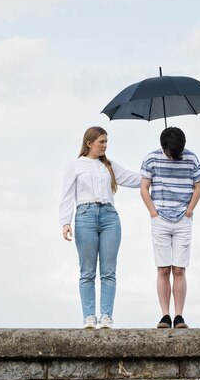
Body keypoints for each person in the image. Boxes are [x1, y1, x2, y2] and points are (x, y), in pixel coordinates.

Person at [59, 126, 140, 329]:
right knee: (87, 270)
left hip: (109, 217)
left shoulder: (109, 166)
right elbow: (67, 194)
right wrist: (65, 222)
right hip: (85, 216)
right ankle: (89, 317)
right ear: (89, 143)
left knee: (108, 270)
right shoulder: (76, 165)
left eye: (106, 142)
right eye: (101, 142)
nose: (105, 145)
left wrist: (156, 172)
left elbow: (134, 179)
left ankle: (106, 316)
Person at [140, 127, 200, 329]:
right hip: (160, 218)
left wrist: (189, 210)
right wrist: (153, 212)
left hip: (183, 219)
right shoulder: (152, 158)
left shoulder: (191, 158)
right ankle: (165, 315)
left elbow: (198, 187)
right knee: (162, 269)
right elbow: (144, 188)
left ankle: (179, 316)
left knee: (179, 269)